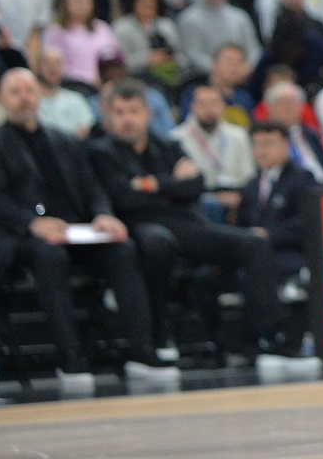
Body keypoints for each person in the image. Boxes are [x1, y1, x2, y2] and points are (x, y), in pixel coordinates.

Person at [89, 80, 309, 366]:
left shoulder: (167, 146)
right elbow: (123, 198)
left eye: (134, 111)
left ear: (148, 114)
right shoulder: (101, 151)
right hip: (140, 226)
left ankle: (266, 341)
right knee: (158, 244)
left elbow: (196, 185)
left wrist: (152, 184)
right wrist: (172, 184)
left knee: (254, 243)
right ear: (108, 116)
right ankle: (156, 337)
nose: (127, 119)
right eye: (120, 113)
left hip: (186, 224)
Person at [0, 68, 176, 386]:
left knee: (122, 248)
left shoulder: (65, 140)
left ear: (39, 96)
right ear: (1, 98)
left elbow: (91, 186)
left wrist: (103, 214)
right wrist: (33, 223)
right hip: (24, 237)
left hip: (75, 229)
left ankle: (142, 350)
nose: (24, 98)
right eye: (15, 92)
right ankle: (70, 355)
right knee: (50, 256)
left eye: (29, 90)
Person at [239, 120, 317, 281]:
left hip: (290, 252)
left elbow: (306, 221)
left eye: (268, 144)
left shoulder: (302, 178)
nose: (261, 151)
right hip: (253, 253)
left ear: (285, 145)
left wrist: (268, 234)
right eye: (256, 144)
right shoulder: (251, 185)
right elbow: (242, 222)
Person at [174, 83, 257, 212]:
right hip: (198, 200)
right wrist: (215, 198)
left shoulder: (239, 135)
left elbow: (249, 175)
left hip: (237, 199)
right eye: (202, 104)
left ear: (223, 106)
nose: (209, 109)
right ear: (192, 107)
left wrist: (236, 196)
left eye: (214, 103)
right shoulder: (177, 138)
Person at [177, 0, 263, 75]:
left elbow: (254, 50)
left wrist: (246, 67)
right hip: (202, 77)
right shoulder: (189, 19)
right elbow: (192, 54)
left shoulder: (240, 17)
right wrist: (222, 70)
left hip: (241, 76)